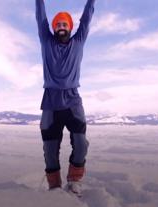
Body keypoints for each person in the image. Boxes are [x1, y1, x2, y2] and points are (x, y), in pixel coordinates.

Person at [35, 0, 95, 196]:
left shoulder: (78, 42)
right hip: (51, 102)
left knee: (80, 143)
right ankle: (54, 185)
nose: (61, 27)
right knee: (49, 148)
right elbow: (41, 18)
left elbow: (86, 19)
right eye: (58, 25)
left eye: (64, 24)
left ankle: (74, 181)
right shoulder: (47, 41)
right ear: (53, 29)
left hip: (72, 101)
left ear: (70, 27)